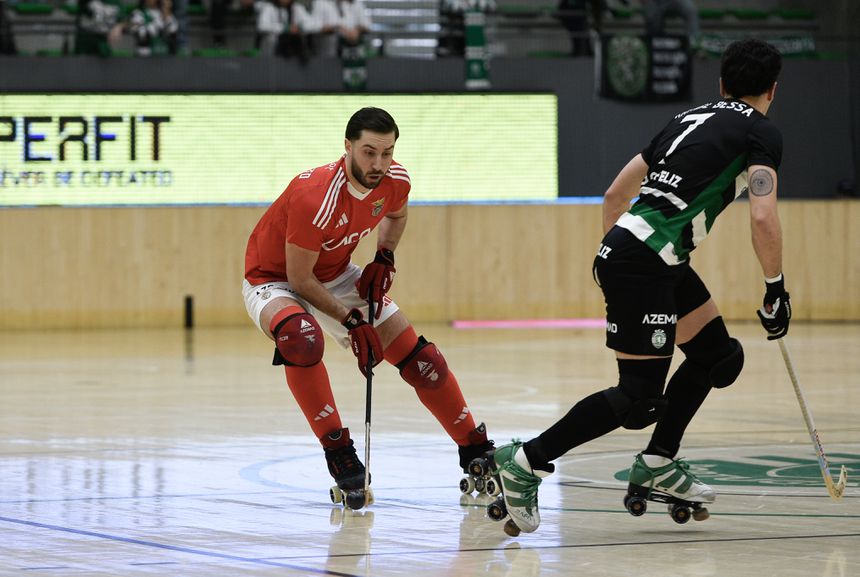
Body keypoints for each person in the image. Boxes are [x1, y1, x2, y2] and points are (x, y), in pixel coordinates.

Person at [492, 38, 789, 533]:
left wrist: (620, 255)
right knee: (638, 398)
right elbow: (762, 216)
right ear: (772, 90)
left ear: (721, 84)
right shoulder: (761, 133)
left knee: (719, 357)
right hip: (647, 261)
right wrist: (775, 288)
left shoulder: (686, 121)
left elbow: (615, 193)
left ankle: (657, 463)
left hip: (647, 254)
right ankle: (525, 461)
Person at [243, 107, 494, 499]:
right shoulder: (315, 196)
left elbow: (396, 214)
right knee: (301, 338)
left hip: (335, 271)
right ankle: (340, 453)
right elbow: (299, 279)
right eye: (369, 152)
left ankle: (476, 450)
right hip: (275, 279)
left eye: (388, 152)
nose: (379, 164)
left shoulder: (395, 180)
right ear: (347, 147)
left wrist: (385, 255)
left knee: (424, 363)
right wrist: (352, 321)